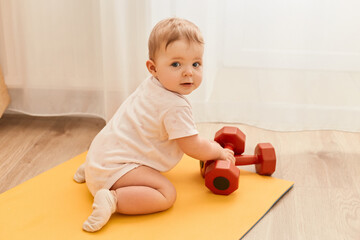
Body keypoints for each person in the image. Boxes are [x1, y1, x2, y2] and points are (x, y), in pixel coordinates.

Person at [73, 17, 235, 232]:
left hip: (99, 156)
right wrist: (217, 152)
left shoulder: (152, 86)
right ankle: (113, 199)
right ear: (153, 67)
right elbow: (192, 145)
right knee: (166, 194)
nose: (189, 72)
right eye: (176, 64)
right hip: (114, 170)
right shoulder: (174, 106)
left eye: (196, 63)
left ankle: (94, 171)